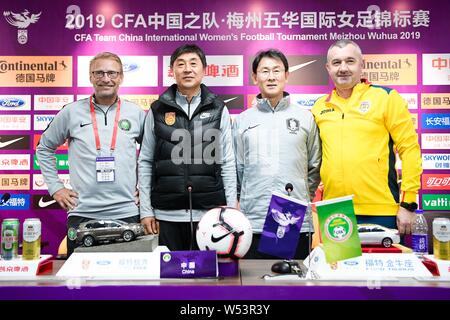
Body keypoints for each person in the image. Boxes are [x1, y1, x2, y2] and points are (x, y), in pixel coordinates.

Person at [36, 52, 146, 256]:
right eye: (99, 73)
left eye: (112, 73)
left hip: (128, 213)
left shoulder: (136, 113)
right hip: (82, 213)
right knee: (79, 283)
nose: (106, 78)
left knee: (128, 284)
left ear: (121, 77)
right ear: (90, 77)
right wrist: (55, 187)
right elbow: (43, 148)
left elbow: (152, 156)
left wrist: (148, 190)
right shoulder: (70, 112)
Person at [311, 40, 422, 235]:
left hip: (381, 210)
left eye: (350, 61)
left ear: (362, 65)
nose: (343, 68)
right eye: (336, 63)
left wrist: (408, 203)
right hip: (335, 211)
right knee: (339, 267)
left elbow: (410, 149)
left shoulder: (386, 98)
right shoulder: (319, 107)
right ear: (328, 68)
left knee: (381, 265)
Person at [138, 44, 237, 251]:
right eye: (180, 64)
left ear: (205, 69)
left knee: (208, 280)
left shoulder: (219, 109)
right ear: (172, 70)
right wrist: (146, 210)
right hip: (166, 215)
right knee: (170, 279)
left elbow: (227, 161)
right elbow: (146, 160)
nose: (187, 69)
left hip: (210, 215)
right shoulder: (157, 110)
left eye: (193, 63)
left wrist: (229, 210)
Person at [233, 49, 322, 259]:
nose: (271, 77)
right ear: (255, 77)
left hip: (292, 216)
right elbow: (237, 168)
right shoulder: (243, 120)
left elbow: (314, 164)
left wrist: (300, 196)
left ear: (287, 75)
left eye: (276, 70)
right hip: (253, 218)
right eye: (264, 71)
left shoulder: (305, 118)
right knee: (254, 285)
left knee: (292, 285)